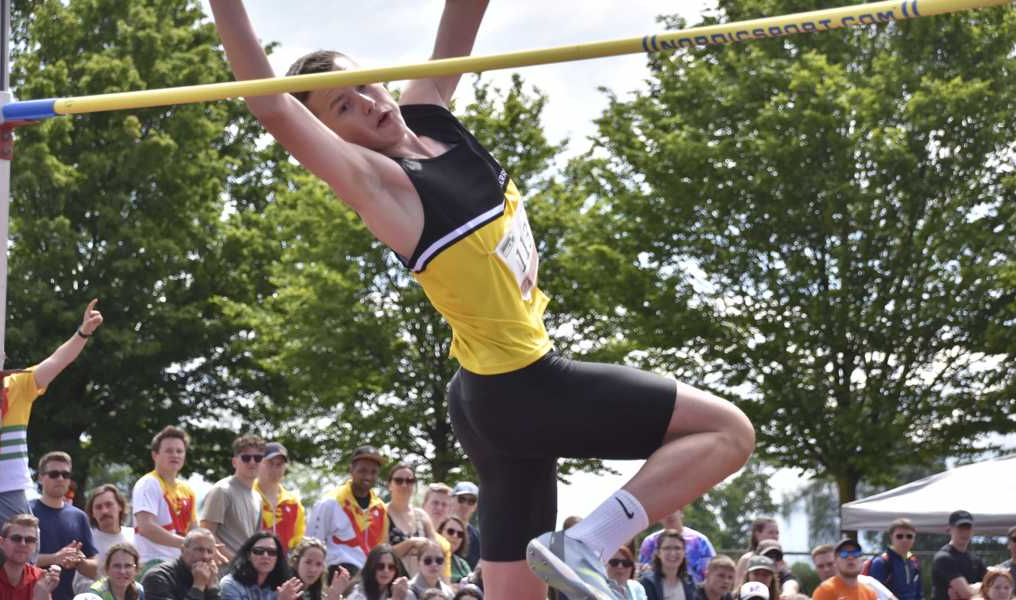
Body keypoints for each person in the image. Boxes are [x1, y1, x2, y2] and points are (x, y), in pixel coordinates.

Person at [207, 2, 756, 597]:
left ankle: (580, 547)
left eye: (363, 85)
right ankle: (589, 543)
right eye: (344, 107)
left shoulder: (430, 114)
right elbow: (269, 104)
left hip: (487, 397)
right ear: (333, 136)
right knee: (729, 433)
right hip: (522, 387)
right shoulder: (380, 185)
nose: (366, 102)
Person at [0, 300, 103, 539]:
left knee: (24, 550)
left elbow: (58, 360)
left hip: (8, 486)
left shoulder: (17, 385)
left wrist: (82, 332)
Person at [305, 445, 389, 582]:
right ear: (351, 470)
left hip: (370, 579)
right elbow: (310, 545)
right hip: (338, 577)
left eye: (373, 472)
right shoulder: (330, 503)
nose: (368, 476)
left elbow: (381, 549)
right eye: (363, 470)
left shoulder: (380, 508)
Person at [31, 452, 99, 600]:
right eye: (54, 474)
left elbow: (95, 569)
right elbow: (14, 558)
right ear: (41, 478)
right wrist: (55, 558)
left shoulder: (79, 517)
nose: (60, 478)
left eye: (65, 474)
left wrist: (80, 562)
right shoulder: (27, 511)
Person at [133, 426, 198, 572]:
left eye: (179, 451)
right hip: (152, 564)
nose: (175, 455)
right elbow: (146, 528)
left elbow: (194, 531)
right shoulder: (148, 483)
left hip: (180, 564)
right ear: (155, 455)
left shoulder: (188, 490)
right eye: (169, 451)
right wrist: (189, 544)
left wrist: (204, 546)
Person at [201, 435, 266, 561]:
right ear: (234, 462)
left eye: (258, 458)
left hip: (245, 572)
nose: (252, 462)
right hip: (221, 573)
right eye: (246, 458)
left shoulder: (258, 498)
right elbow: (206, 533)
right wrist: (236, 562)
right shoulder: (222, 490)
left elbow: (255, 540)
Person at [74, 485, 137, 594]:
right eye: (98, 507)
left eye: (109, 505)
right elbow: (79, 585)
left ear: (120, 506)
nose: (104, 511)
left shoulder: (135, 536)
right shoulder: (86, 541)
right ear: (92, 513)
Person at [0, 514, 61, 600]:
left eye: (30, 540)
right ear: (1, 542)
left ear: (35, 545)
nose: (23, 544)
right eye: (16, 538)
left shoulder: (39, 578)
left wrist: (43, 596)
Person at [385, 464, 436, 575]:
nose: (404, 485)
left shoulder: (422, 516)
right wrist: (411, 543)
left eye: (409, 481)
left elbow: (435, 549)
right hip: (390, 582)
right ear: (389, 485)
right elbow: (381, 554)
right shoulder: (381, 513)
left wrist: (424, 545)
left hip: (420, 582)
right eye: (399, 480)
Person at [218, 532, 302, 600]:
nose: (265, 556)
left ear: (277, 558)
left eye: (271, 552)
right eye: (258, 551)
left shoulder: (281, 588)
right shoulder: (231, 584)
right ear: (248, 556)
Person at [639, 510, 716, 583]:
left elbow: (713, 572)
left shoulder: (700, 541)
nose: (669, 514)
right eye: (664, 511)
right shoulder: (650, 542)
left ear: (681, 512)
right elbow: (642, 570)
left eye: (673, 509)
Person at [142, 528, 221, 600]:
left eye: (209, 551)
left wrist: (212, 587)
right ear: (183, 550)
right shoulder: (158, 577)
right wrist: (198, 587)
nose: (205, 557)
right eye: (199, 550)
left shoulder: (208, 576)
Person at [255, 442, 306, 553]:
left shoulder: (294, 503)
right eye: (270, 463)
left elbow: (298, 543)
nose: (274, 468)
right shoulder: (248, 495)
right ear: (259, 464)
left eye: (279, 464)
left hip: (283, 565)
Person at [931, 511, 987, 600]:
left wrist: (973, 589)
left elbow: (992, 587)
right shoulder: (943, 557)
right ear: (949, 529)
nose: (964, 532)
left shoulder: (975, 559)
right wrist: (980, 588)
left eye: (967, 528)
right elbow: (966, 594)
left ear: (972, 531)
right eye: (960, 528)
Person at [811, 545, 896, 600]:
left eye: (830, 564)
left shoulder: (866, 582)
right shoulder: (821, 592)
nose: (826, 569)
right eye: (820, 566)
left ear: (838, 561)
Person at [867, 518, 922, 600]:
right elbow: (873, 594)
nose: (905, 540)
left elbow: (919, 594)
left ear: (914, 538)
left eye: (909, 536)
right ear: (891, 537)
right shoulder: (881, 562)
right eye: (899, 536)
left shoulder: (914, 563)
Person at [640, 530, 697, 600]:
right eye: (667, 548)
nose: (672, 553)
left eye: (677, 548)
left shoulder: (689, 581)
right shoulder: (648, 582)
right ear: (658, 553)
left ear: (684, 552)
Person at [345, 545, 416, 600]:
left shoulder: (404, 592)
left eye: (391, 567)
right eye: (380, 566)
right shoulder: (358, 593)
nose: (386, 571)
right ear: (371, 567)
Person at [421, 485, 454, 582]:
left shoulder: (445, 544)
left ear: (449, 511)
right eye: (435, 503)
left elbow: (445, 580)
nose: (439, 507)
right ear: (424, 504)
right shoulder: (413, 530)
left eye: (444, 505)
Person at [735, 519, 780, 586]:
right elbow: (738, 587)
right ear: (757, 534)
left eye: (777, 533)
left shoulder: (780, 560)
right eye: (770, 532)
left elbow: (788, 579)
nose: (775, 536)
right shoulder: (747, 559)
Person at [451, 483, 481, 570]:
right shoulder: (440, 529)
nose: (465, 505)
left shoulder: (478, 537)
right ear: (452, 500)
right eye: (461, 499)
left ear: (476, 506)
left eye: (471, 501)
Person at [436, 516, 471, 584]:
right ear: (440, 532)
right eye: (450, 531)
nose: (455, 536)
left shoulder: (462, 564)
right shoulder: (430, 559)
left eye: (460, 534)